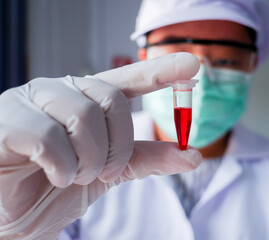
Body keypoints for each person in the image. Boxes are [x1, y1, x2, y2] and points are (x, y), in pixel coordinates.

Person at [58, 0, 269, 239]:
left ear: (252, 65)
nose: (201, 81)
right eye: (178, 57)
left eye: (227, 60)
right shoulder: (87, 159)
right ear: (143, 57)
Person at [0, 53, 203, 239]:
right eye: (177, 41)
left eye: (225, 60)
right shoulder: (83, 147)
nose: (205, 67)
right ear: (145, 53)